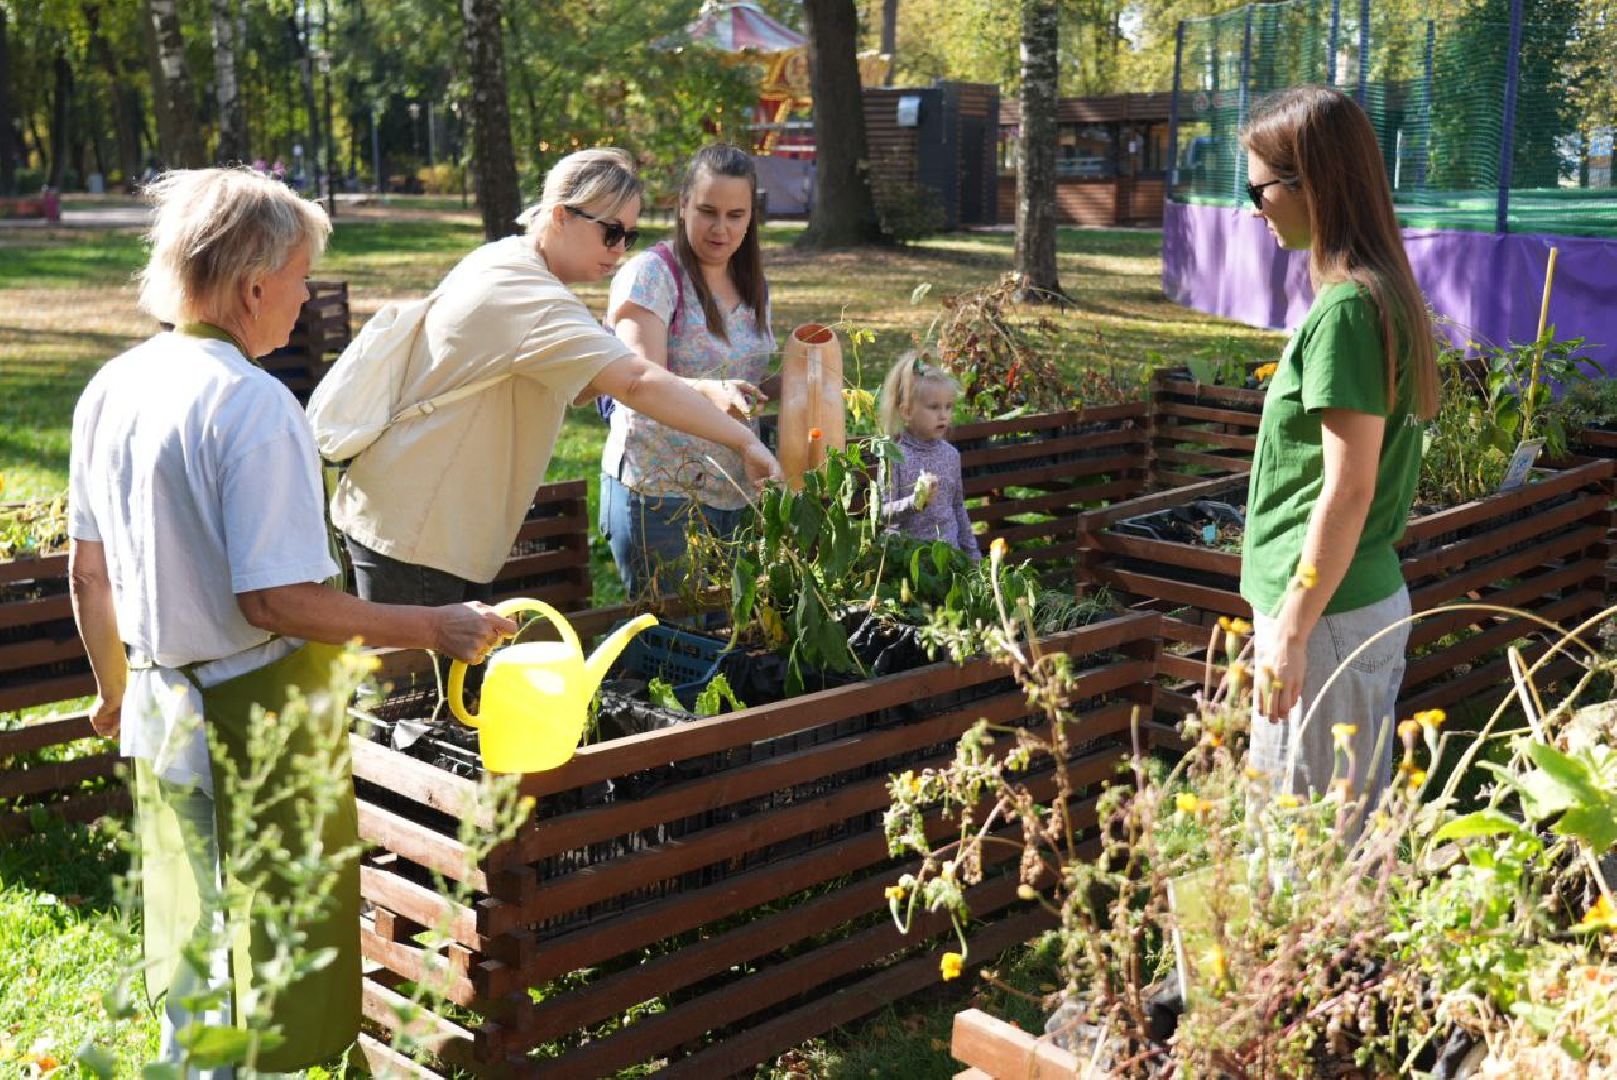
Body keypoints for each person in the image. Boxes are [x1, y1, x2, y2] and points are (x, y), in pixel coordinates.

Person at [67, 166, 515, 1073]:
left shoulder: (113, 386)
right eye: (303, 277)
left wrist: (113, 690)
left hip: (159, 710)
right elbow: (273, 602)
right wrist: (438, 628)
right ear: (253, 283)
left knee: (192, 935)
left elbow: (88, 574)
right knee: (278, 958)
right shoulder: (253, 406)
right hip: (254, 713)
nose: (307, 299)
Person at [329, 147, 782, 607]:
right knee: (421, 678)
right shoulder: (532, 297)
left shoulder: (508, 261)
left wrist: (703, 389)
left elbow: (597, 380)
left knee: (448, 677)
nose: (620, 251)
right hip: (419, 528)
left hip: (431, 521)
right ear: (563, 215)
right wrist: (744, 442)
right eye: (610, 233)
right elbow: (633, 382)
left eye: (629, 235)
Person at [1238, 86, 1439, 822]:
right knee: (1331, 839)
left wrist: (1290, 631)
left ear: (1308, 184)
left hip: (1323, 616)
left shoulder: (1350, 308)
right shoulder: (1373, 293)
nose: (1252, 206)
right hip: (1338, 607)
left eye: (1256, 186)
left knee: (1304, 851)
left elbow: (1348, 490)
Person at [600, 143, 779, 599]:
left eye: (736, 215)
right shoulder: (652, 275)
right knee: (674, 647)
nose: (721, 228)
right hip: (662, 494)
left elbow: (744, 388)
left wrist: (798, 380)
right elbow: (634, 380)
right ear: (682, 206)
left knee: (727, 644)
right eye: (707, 211)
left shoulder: (753, 282)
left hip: (738, 492)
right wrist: (707, 390)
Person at [876, 355, 979, 560]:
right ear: (906, 412)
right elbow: (882, 513)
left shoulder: (950, 455)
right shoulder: (895, 456)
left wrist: (972, 555)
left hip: (950, 560)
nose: (944, 415)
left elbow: (958, 507)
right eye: (934, 407)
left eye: (948, 406)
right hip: (911, 563)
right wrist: (914, 502)